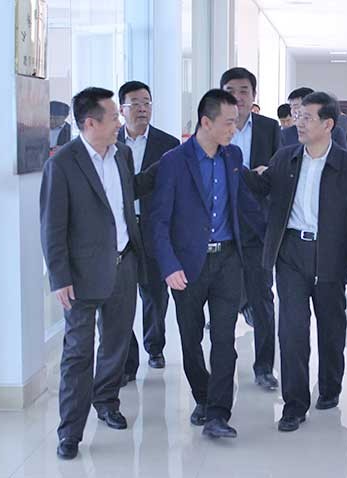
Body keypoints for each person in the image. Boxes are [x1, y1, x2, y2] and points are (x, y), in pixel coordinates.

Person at [242, 92, 347, 432]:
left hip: (331, 253)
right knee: (292, 330)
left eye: (307, 117)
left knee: (331, 326)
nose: (299, 122)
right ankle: (294, 405)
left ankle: (329, 387)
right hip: (291, 253)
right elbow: (261, 187)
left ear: (328, 124)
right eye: (298, 116)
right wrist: (235, 166)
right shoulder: (286, 158)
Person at [40, 87, 153, 460]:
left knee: (116, 343)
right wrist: (59, 278)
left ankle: (106, 401)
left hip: (124, 264)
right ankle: (70, 432)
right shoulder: (63, 164)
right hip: (81, 275)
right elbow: (52, 227)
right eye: (114, 116)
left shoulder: (121, 155)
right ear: (90, 123)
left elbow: (128, 197)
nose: (120, 122)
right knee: (78, 353)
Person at [151, 89, 244, 439]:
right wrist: (168, 265)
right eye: (228, 122)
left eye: (236, 122)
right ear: (206, 122)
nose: (234, 128)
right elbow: (159, 220)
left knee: (224, 339)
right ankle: (202, 397)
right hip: (187, 265)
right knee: (190, 338)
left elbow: (242, 204)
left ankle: (219, 413)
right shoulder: (174, 161)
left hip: (228, 260)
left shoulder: (233, 156)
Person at [220, 67, 280, 390]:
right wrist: (248, 173)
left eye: (244, 90)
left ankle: (264, 367)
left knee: (262, 299)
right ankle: (222, 369)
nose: (238, 96)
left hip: (258, 228)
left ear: (254, 95)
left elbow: (280, 169)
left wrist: (267, 171)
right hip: (223, 228)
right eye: (231, 90)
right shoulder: (214, 126)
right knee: (222, 303)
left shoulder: (270, 128)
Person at [117, 80, 180, 382]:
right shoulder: (111, 143)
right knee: (121, 296)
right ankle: (127, 359)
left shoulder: (168, 145)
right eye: (135, 103)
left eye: (147, 103)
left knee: (155, 293)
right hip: (121, 230)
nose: (142, 109)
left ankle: (155, 347)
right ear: (122, 109)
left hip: (154, 227)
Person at [280, 87, 347, 149]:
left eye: (296, 106)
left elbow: (343, 156)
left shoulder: (335, 132)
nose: (293, 111)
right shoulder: (285, 134)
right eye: (291, 107)